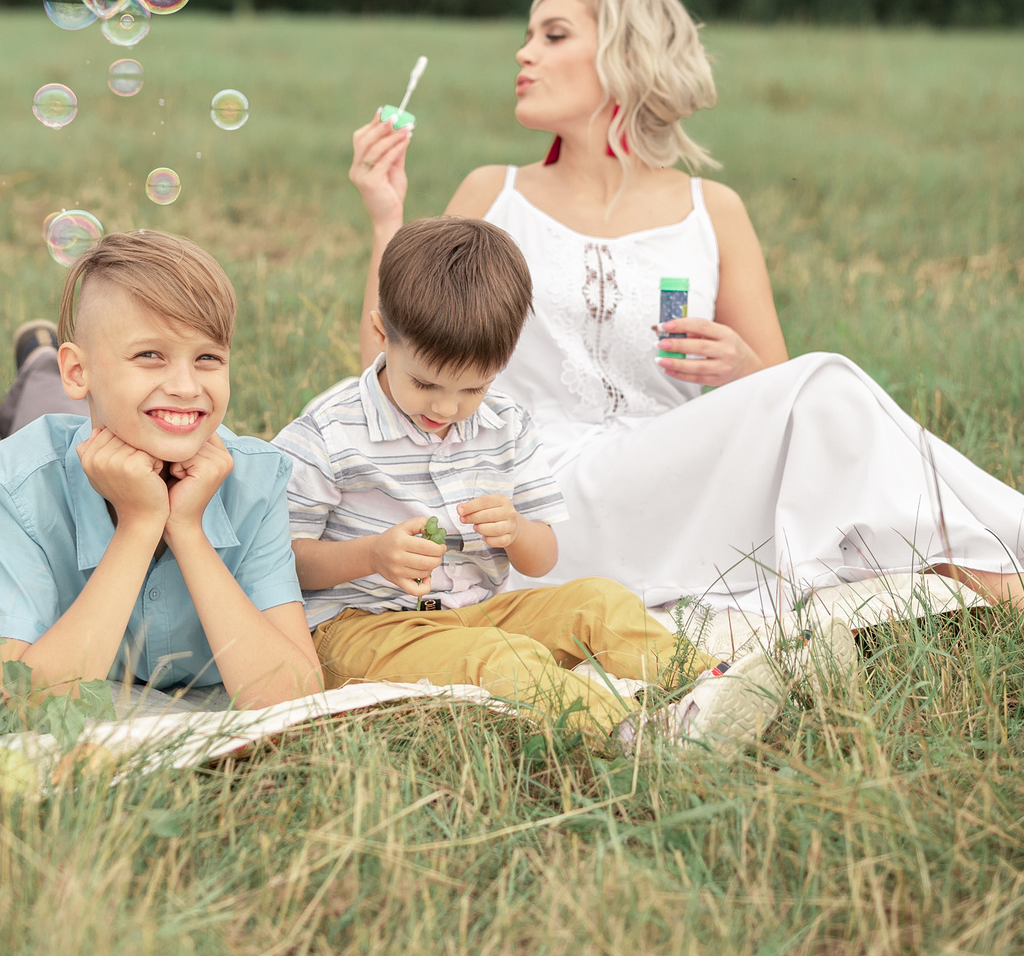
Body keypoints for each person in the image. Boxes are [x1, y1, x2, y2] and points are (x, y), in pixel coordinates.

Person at [344, 0, 1024, 661]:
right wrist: (388, 218)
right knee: (853, 414)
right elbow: (389, 378)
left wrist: (739, 366)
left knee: (854, 428)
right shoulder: (491, 192)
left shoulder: (711, 212)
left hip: (680, 483)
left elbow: (776, 393)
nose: (523, 52)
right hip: (537, 498)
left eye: (551, 32)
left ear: (620, 57)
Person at [281, 214, 783, 749]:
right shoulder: (327, 435)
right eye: (425, 382)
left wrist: (516, 529)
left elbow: (540, 559)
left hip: (477, 613)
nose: (447, 407)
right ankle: (638, 733)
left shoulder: (506, 424)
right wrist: (372, 555)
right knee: (507, 659)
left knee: (597, 600)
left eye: (473, 388)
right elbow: (284, 563)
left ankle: (719, 681)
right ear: (382, 334)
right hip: (363, 631)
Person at [0, 231, 321, 709]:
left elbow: (295, 696)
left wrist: (185, 527)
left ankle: (40, 359)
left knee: (90, 414)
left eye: (207, 357)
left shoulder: (257, 481)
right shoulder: (12, 482)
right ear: (78, 371)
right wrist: (140, 524)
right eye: (150, 355)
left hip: (97, 410)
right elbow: (24, 699)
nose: (186, 386)